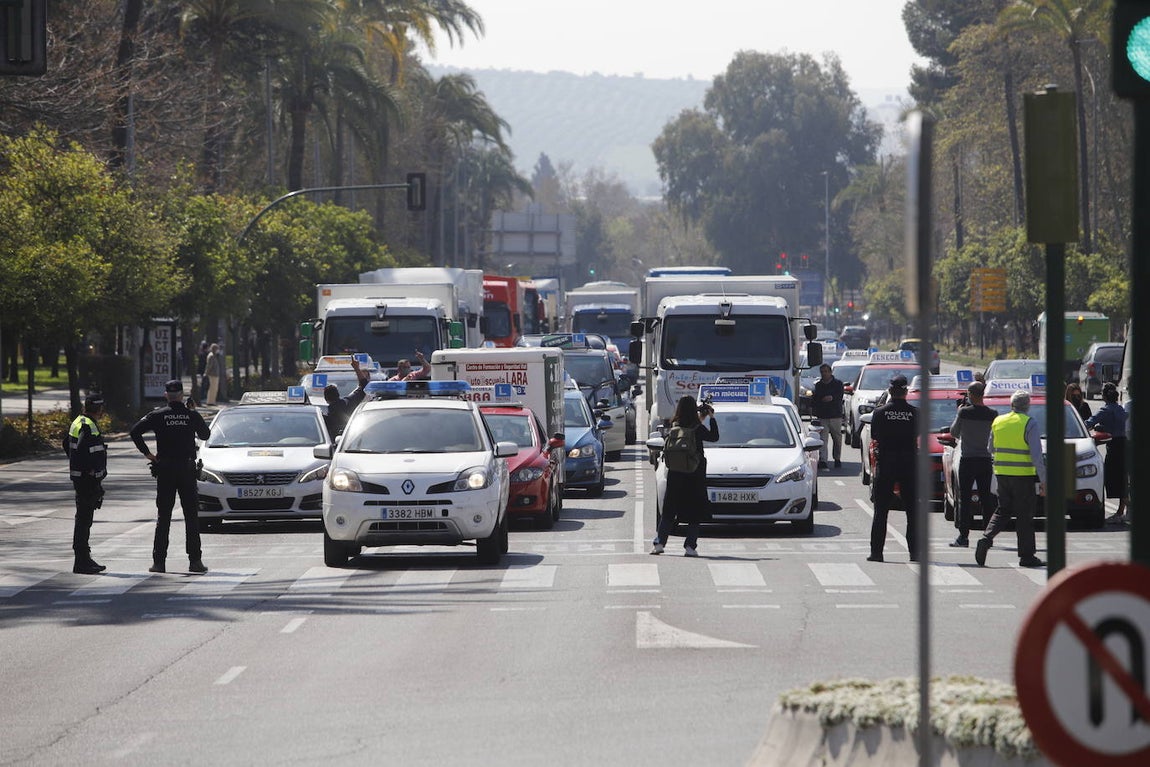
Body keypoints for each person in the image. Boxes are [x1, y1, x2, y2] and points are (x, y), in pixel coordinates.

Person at [130, 379, 212, 574]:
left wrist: (149, 455)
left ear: (166, 395)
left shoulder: (158, 415)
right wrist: (193, 412)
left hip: (165, 469)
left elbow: (135, 432)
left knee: (163, 516)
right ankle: (195, 562)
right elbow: (205, 435)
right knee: (191, 516)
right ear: (182, 395)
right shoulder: (190, 415)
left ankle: (159, 563)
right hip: (186, 469)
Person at [975, 390, 1047, 568]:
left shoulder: (998, 421)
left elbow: (990, 448)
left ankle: (986, 538)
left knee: (1003, 510)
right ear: (1028, 406)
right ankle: (1026, 556)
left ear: (1011, 404)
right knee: (1025, 517)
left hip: (1002, 474)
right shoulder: (1029, 423)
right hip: (1023, 477)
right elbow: (1037, 456)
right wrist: (1044, 481)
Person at [651, 395, 719, 557]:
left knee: (668, 510)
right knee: (694, 511)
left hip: (675, 474)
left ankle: (659, 543)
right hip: (694, 474)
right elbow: (714, 437)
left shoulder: (673, 426)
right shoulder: (697, 428)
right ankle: (690, 546)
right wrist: (711, 417)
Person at [868, 375, 920, 563]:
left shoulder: (880, 412)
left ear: (890, 391)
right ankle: (915, 553)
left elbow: (874, 434)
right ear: (906, 392)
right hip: (909, 465)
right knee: (913, 512)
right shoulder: (915, 413)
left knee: (880, 511)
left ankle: (876, 553)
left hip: (887, 463)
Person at [947, 380, 997, 548]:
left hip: (968, 459)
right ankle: (988, 535)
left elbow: (954, 432)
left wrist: (958, 412)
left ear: (971, 395)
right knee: (986, 498)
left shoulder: (964, 413)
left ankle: (963, 536)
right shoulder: (993, 414)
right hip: (985, 459)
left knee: (965, 499)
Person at [64, 394, 108, 574]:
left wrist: (74, 464)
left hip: (82, 478)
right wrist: (89, 470)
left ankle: (84, 559)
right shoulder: (87, 426)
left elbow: (66, 444)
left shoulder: (79, 421)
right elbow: (81, 449)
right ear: (99, 409)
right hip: (86, 480)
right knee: (84, 520)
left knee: (83, 520)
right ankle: (82, 561)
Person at [1085, 382, 1128, 524]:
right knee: (1123, 478)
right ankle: (1122, 510)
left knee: (1110, 477)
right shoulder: (1120, 409)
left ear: (1104, 396)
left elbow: (1088, 423)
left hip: (1114, 446)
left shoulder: (1105, 410)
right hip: (1124, 444)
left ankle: (1119, 512)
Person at [323, 358, 371, 440]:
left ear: (326, 399)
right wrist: (356, 368)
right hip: (353, 438)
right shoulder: (349, 402)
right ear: (338, 394)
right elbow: (364, 385)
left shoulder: (324, 419)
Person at [811, 363, 844, 469]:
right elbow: (815, 400)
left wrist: (832, 398)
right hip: (823, 416)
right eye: (822, 372)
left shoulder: (838, 384)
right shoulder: (819, 385)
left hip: (835, 416)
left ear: (830, 372)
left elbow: (840, 396)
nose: (824, 374)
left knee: (837, 439)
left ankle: (837, 458)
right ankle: (823, 460)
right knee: (823, 439)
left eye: (826, 371)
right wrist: (820, 401)